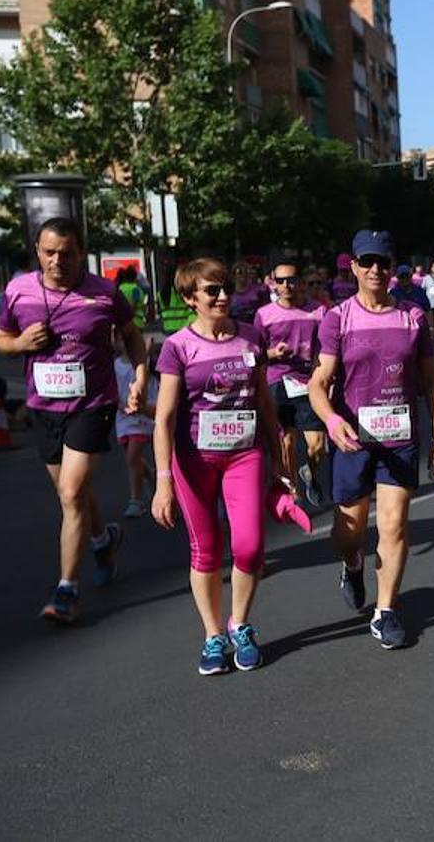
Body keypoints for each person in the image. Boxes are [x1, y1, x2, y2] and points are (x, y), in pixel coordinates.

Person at [308, 230, 434, 649]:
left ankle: (385, 610)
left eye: (383, 263)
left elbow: (432, 383)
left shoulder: (412, 318)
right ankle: (352, 564)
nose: (375, 269)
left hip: (399, 439)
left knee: (393, 524)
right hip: (353, 438)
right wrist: (333, 421)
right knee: (349, 532)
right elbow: (319, 382)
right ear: (353, 266)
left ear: (393, 268)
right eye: (367, 261)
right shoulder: (339, 318)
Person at [0, 217, 147, 620]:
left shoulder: (104, 293)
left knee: (70, 493)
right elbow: (2, 337)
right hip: (44, 406)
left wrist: (139, 375)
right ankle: (103, 539)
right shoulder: (18, 290)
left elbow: (132, 334)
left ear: (81, 253)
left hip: (92, 404)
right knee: (74, 494)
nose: (57, 261)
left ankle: (66, 589)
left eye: (66, 253)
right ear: (37, 252)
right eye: (49, 252)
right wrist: (19, 343)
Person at [151, 257, 283, 674]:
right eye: (212, 290)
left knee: (249, 545)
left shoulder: (250, 338)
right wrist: (163, 481)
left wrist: (279, 462)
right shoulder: (178, 347)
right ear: (191, 298)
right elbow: (165, 419)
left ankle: (240, 624)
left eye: (225, 287)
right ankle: (213, 636)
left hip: (245, 454)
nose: (223, 295)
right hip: (194, 459)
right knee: (205, 550)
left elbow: (264, 403)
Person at [254, 258, 329, 507]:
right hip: (277, 381)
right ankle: (293, 489)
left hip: (309, 383)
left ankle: (309, 470)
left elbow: (327, 349)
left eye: (291, 280)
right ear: (273, 284)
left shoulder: (318, 311)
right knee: (286, 440)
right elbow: (255, 355)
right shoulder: (264, 315)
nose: (286, 285)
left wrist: (324, 376)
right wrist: (273, 354)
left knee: (317, 446)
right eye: (281, 280)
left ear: (300, 282)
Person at [115, 335, 158, 518]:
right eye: (121, 340)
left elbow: (145, 376)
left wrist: (145, 353)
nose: (125, 343)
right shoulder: (114, 364)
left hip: (142, 414)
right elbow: (112, 387)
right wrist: (120, 405)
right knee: (133, 458)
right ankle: (150, 477)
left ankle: (136, 501)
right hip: (123, 415)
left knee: (133, 456)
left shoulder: (146, 362)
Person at [116, 265, 147, 330]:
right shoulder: (135, 289)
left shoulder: (120, 288)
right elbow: (134, 304)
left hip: (122, 322)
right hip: (136, 321)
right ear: (135, 277)